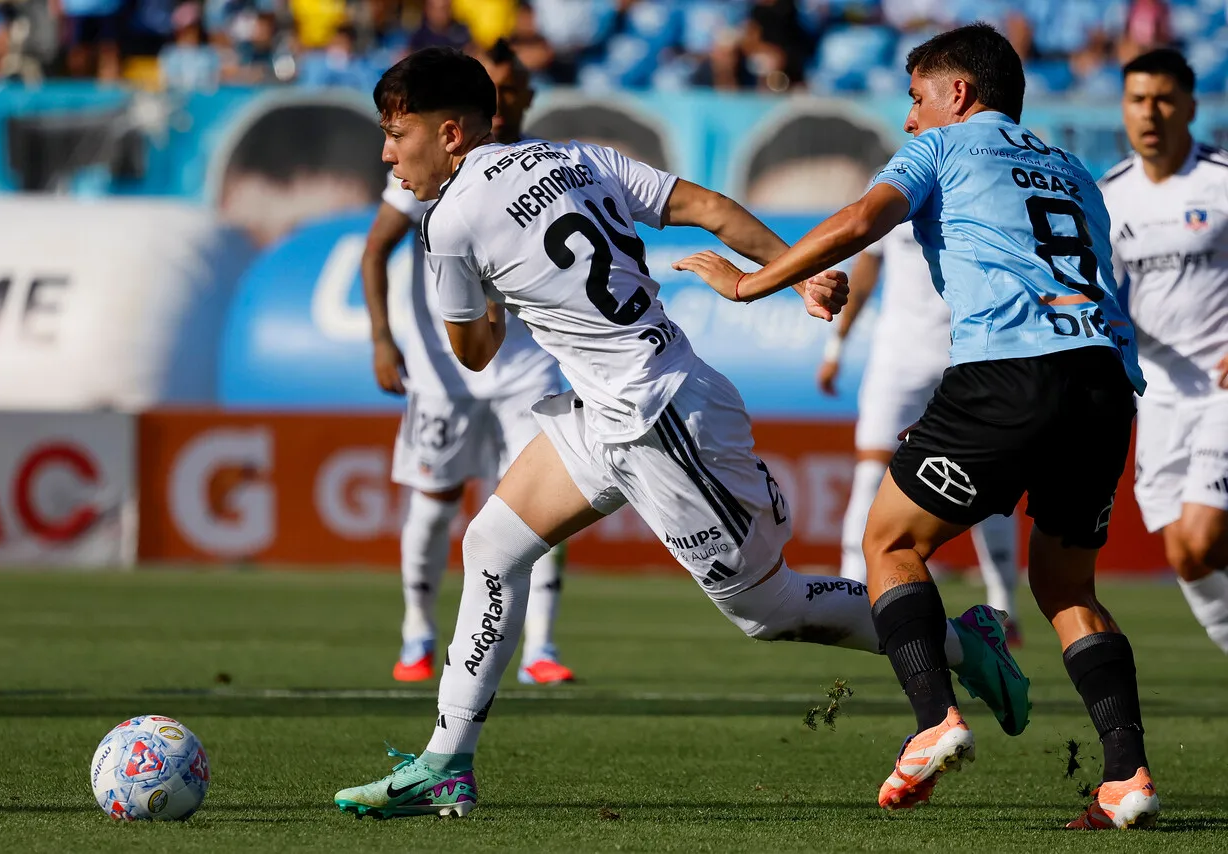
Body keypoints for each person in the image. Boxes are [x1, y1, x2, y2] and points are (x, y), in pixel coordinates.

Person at [333, 45, 1029, 821]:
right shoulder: (577, 155)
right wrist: (796, 272)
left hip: (661, 421)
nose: (389, 152)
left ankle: (966, 643)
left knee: (767, 609)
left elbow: (474, 353)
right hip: (613, 409)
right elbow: (706, 208)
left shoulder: (449, 223)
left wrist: (489, 295)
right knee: (492, 545)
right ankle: (445, 762)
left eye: (399, 134)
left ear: (453, 134)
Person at [675, 23, 1158, 829]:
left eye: (915, 97)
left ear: (958, 94)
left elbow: (864, 218)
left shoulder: (945, 149)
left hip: (1009, 371)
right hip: (1104, 383)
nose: (909, 118)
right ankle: (1126, 776)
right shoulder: (1076, 171)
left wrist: (752, 283)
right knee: (1068, 586)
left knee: (890, 541)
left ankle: (935, 720)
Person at [363, 39, 573, 687]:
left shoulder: (542, 163)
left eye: (511, 90)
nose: (503, 100)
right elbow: (376, 252)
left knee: (545, 501)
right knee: (436, 499)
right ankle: (416, 631)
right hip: (443, 367)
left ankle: (540, 647)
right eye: (494, 88)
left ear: (526, 98)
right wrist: (381, 337)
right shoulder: (426, 163)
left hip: (526, 364)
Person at [818, 222, 1022, 643]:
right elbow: (866, 268)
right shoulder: (896, 182)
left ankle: (1005, 606)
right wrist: (836, 346)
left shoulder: (980, 179)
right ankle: (853, 595)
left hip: (969, 356)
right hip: (899, 359)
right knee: (871, 473)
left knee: (989, 480)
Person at [1100, 48, 1228, 653]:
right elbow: (1097, 295)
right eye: (1136, 99)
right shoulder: (1107, 197)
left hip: (1222, 390)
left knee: (1202, 540)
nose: (1149, 112)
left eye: (1163, 99)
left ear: (1190, 108)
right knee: (1186, 554)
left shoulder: (1221, 182)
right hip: (1160, 396)